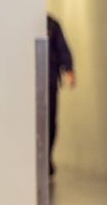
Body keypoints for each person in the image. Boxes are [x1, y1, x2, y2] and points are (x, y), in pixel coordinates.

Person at [47, 14, 75, 177]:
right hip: (27, 87)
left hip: (49, 83)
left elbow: (63, 49)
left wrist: (69, 69)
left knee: (50, 123)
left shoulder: (52, 25)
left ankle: (47, 157)